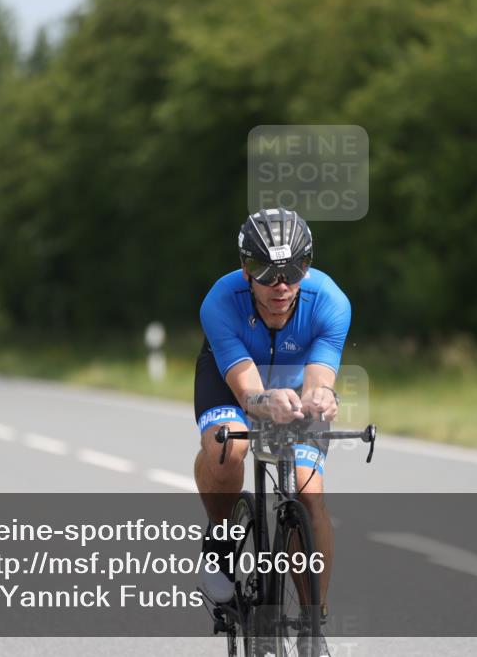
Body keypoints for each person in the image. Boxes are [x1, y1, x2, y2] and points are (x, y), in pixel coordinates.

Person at [193, 208, 350, 654]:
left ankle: (314, 622)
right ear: (245, 269)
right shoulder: (220, 301)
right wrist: (265, 401)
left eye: (294, 270)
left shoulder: (330, 301)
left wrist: (321, 398)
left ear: (308, 265)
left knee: (308, 491)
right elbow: (248, 393)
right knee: (227, 448)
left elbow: (319, 380)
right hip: (234, 382)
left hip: (295, 383)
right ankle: (222, 538)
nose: (281, 285)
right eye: (266, 271)